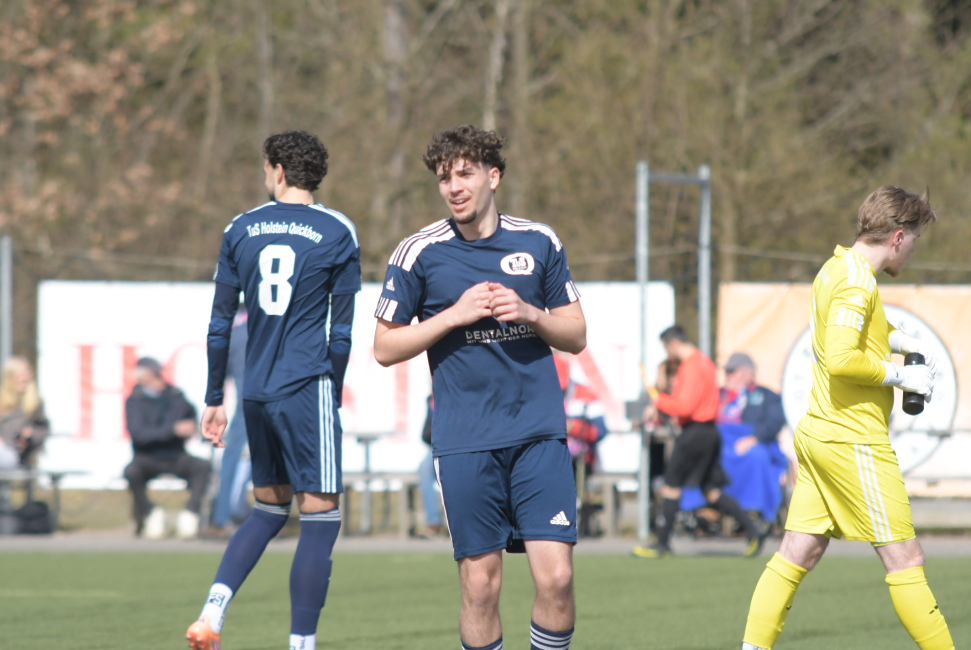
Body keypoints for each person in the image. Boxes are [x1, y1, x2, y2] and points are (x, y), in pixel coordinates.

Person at [373, 124, 585, 650]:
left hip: (538, 434)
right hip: (465, 440)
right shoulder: (419, 252)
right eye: (444, 178)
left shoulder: (539, 240)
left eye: (465, 174)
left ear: (493, 176)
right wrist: (453, 315)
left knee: (557, 579)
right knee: (480, 588)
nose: (454, 187)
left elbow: (576, 335)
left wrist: (532, 313)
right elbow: (384, 347)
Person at [741, 186, 953, 650]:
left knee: (797, 552)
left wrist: (901, 341)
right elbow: (840, 358)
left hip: (820, 433)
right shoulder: (858, 282)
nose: (913, 251)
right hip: (852, 440)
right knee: (906, 559)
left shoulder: (839, 267)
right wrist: (900, 376)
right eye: (915, 240)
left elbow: (856, 333)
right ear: (898, 237)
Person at [186, 130, 361, 650]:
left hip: (256, 392)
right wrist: (331, 391)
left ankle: (211, 614)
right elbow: (342, 333)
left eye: (266, 168)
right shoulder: (337, 229)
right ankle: (301, 644)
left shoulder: (240, 227)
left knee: (268, 509)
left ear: (279, 170)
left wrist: (214, 397)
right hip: (306, 385)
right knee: (321, 519)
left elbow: (219, 326)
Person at [632, 325, 766, 558]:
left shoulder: (692, 366)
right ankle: (754, 531)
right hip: (709, 432)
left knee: (671, 486)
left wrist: (658, 400)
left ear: (673, 344)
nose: (668, 355)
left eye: (667, 348)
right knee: (710, 490)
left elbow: (685, 406)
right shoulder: (705, 362)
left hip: (694, 433)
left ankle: (662, 544)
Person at [123, 356, 210, 540]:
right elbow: (139, 435)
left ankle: (190, 514)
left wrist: (192, 428)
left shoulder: (176, 397)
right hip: (147, 457)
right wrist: (172, 430)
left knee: (202, 467)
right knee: (132, 472)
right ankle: (150, 513)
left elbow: (190, 418)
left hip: (176, 455)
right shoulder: (135, 400)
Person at [715, 352, 790, 525]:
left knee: (756, 456)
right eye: (726, 371)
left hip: (751, 441)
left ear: (749, 373)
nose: (728, 375)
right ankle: (708, 508)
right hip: (719, 440)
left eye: (732, 371)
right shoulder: (718, 395)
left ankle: (753, 508)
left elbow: (775, 420)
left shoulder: (766, 396)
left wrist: (755, 438)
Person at [205, 304, 252, 537]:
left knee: (231, 460)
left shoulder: (234, 336)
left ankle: (222, 518)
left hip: (245, 407)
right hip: (277, 405)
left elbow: (220, 375)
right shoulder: (276, 331)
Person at [0, 356, 50, 470]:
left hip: (19, 453)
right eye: (20, 374)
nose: (25, 377)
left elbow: (44, 429)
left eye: (27, 373)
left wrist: (31, 434)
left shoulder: (35, 403)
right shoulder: (2, 401)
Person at [417, 394, 444, 537]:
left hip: (457, 445)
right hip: (437, 447)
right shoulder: (431, 400)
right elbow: (426, 434)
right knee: (424, 468)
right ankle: (434, 522)